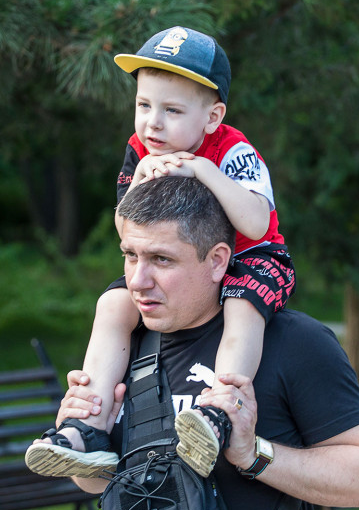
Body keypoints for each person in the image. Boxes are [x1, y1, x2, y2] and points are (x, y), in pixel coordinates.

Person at [62, 176, 359, 510]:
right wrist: (85, 438)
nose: (137, 280)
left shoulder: (293, 342)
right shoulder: (122, 348)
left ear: (218, 261)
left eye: (161, 260)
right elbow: (96, 482)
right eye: (130, 255)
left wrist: (254, 455)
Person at [26, 25, 296, 480]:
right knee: (113, 305)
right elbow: (126, 229)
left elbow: (254, 222)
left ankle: (219, 413)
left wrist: (204, 170)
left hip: (253, 258)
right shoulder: (140, 151)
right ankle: (88, 426)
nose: (153, 123)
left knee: (242, 309)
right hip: (177, 265)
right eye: (144, 105)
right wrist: (141, 179)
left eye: (172, 110)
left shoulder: (232, 149)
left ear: (212, 117)